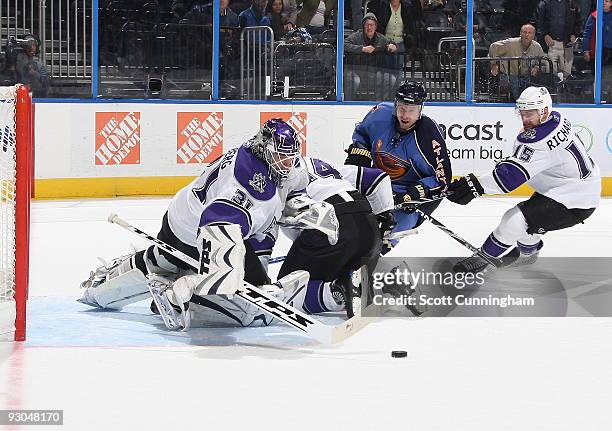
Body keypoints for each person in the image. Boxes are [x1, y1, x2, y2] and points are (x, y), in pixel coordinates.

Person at [79, 119, 309, 313]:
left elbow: (293, 185)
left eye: (290, 157)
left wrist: (300, 204)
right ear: (264, 150)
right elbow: (215, 225)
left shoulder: (266, 158)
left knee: (161, 259)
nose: (287, 164)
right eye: (281, 157)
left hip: (180, 213)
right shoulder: (246, 182)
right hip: (193, 229)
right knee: (238, 289)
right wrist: (215, 275)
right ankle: (176, 295)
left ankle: (115, 274)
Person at [448, 86, 601, 273]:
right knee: (531, 221)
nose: (525, 119)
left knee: (514, 221)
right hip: (571, 189)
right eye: (523, 113)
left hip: (574, 201)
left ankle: (484, 259)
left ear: (544, 111)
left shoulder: (539, 139)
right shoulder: (556, 119)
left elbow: (509, 179)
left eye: (530, 114)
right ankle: (528, 253)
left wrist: (474, 186)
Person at [275, 157, 396, 317]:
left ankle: (337, 291)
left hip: (330, 227)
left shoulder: (277, 176)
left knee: (282, 294)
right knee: (337, 272)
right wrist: (384, 215)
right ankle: (375, 286)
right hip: (368, 225)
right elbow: (378, 178)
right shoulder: (323, 163)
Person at [344, 81, 452, 253]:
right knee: (351, 224)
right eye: (402, 108)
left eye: (411, 110)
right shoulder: (379, 114)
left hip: (410, 194)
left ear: (420, 110)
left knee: (383, 239)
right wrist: (360, 153)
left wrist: (415, 193)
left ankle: (369, 265)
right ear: (395, 104)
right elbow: (362, 135)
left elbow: (442, 180)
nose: (405, 115)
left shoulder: (429, 136)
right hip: (379, 183)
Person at [344, 13, 398, 100]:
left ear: (375, 27)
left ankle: (377, 102)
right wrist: (362, 49)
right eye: (367, 25)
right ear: (363, 26)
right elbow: (343, 44)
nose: (369, 28)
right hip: (355, 71)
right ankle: (348, 103)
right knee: (354, 81)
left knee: (391, 79)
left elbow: (392, 43)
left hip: (372, 73)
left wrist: (393, 46)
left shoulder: (380, 38)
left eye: (372, 25)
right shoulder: (356, 36)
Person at [488, 23, 548, 100]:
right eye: (524, 32)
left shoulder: (537, 47)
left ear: (534, 35)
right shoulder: (510, 43)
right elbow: (494, 47)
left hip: (527, 76)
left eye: (529, 33)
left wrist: (537, 68)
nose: (527, 35)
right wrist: (494, 63)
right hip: (510, 75)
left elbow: (543, 63)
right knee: (515, 84)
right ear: (520, 33)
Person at [533, 0, 582, 80]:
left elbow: (578, 21)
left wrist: (574, 34)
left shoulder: (572, 4)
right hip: (550, 44)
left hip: (567, 44)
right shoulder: (544, 3)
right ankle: (552, 90)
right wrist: (544, 35)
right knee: (551, 73)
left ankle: (566, 91)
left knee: (567, 73)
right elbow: (536, 22)